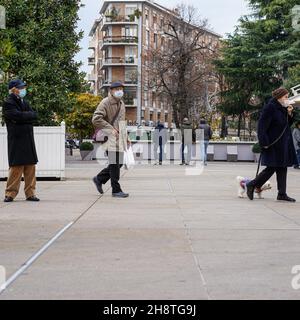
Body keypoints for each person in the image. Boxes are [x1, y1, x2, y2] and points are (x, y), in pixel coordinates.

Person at [246, 87, 297, 202]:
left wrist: (289, 114)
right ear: (279, 97)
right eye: (286, 97)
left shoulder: (282, 108)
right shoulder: (270, 107)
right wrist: (264, 142)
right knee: (272, 167)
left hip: (283, 144)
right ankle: (252, 184)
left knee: (282, 168)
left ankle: (282, 193)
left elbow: (286, 125)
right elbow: (262, 126)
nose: (287, 99)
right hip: (272, 144)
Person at [2, 79, 39, 202]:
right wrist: (27, 116)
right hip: (17, 139)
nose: (23, 89)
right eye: (21, 87)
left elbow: (34, 115)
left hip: (27, 139)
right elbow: (15, 116)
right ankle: (10, 193)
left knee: (30, 166)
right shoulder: (8, 102)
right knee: (16, 167)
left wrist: (25, 117)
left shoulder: (24, 102)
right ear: (14, 89)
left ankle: (30, 193)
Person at [92, 82, 130, 198]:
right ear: (111, 90)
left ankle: (99, 178)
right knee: (114, 164)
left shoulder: (121, 103)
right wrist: (110, 129)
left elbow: (122, 123)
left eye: (121, 89)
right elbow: (96, 119)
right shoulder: (105, 102)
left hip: (119, 138)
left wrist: (126, 137)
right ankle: (116, 190)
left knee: (119, 163)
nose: (120, 91)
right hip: (109, 138)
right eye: (117, 89)